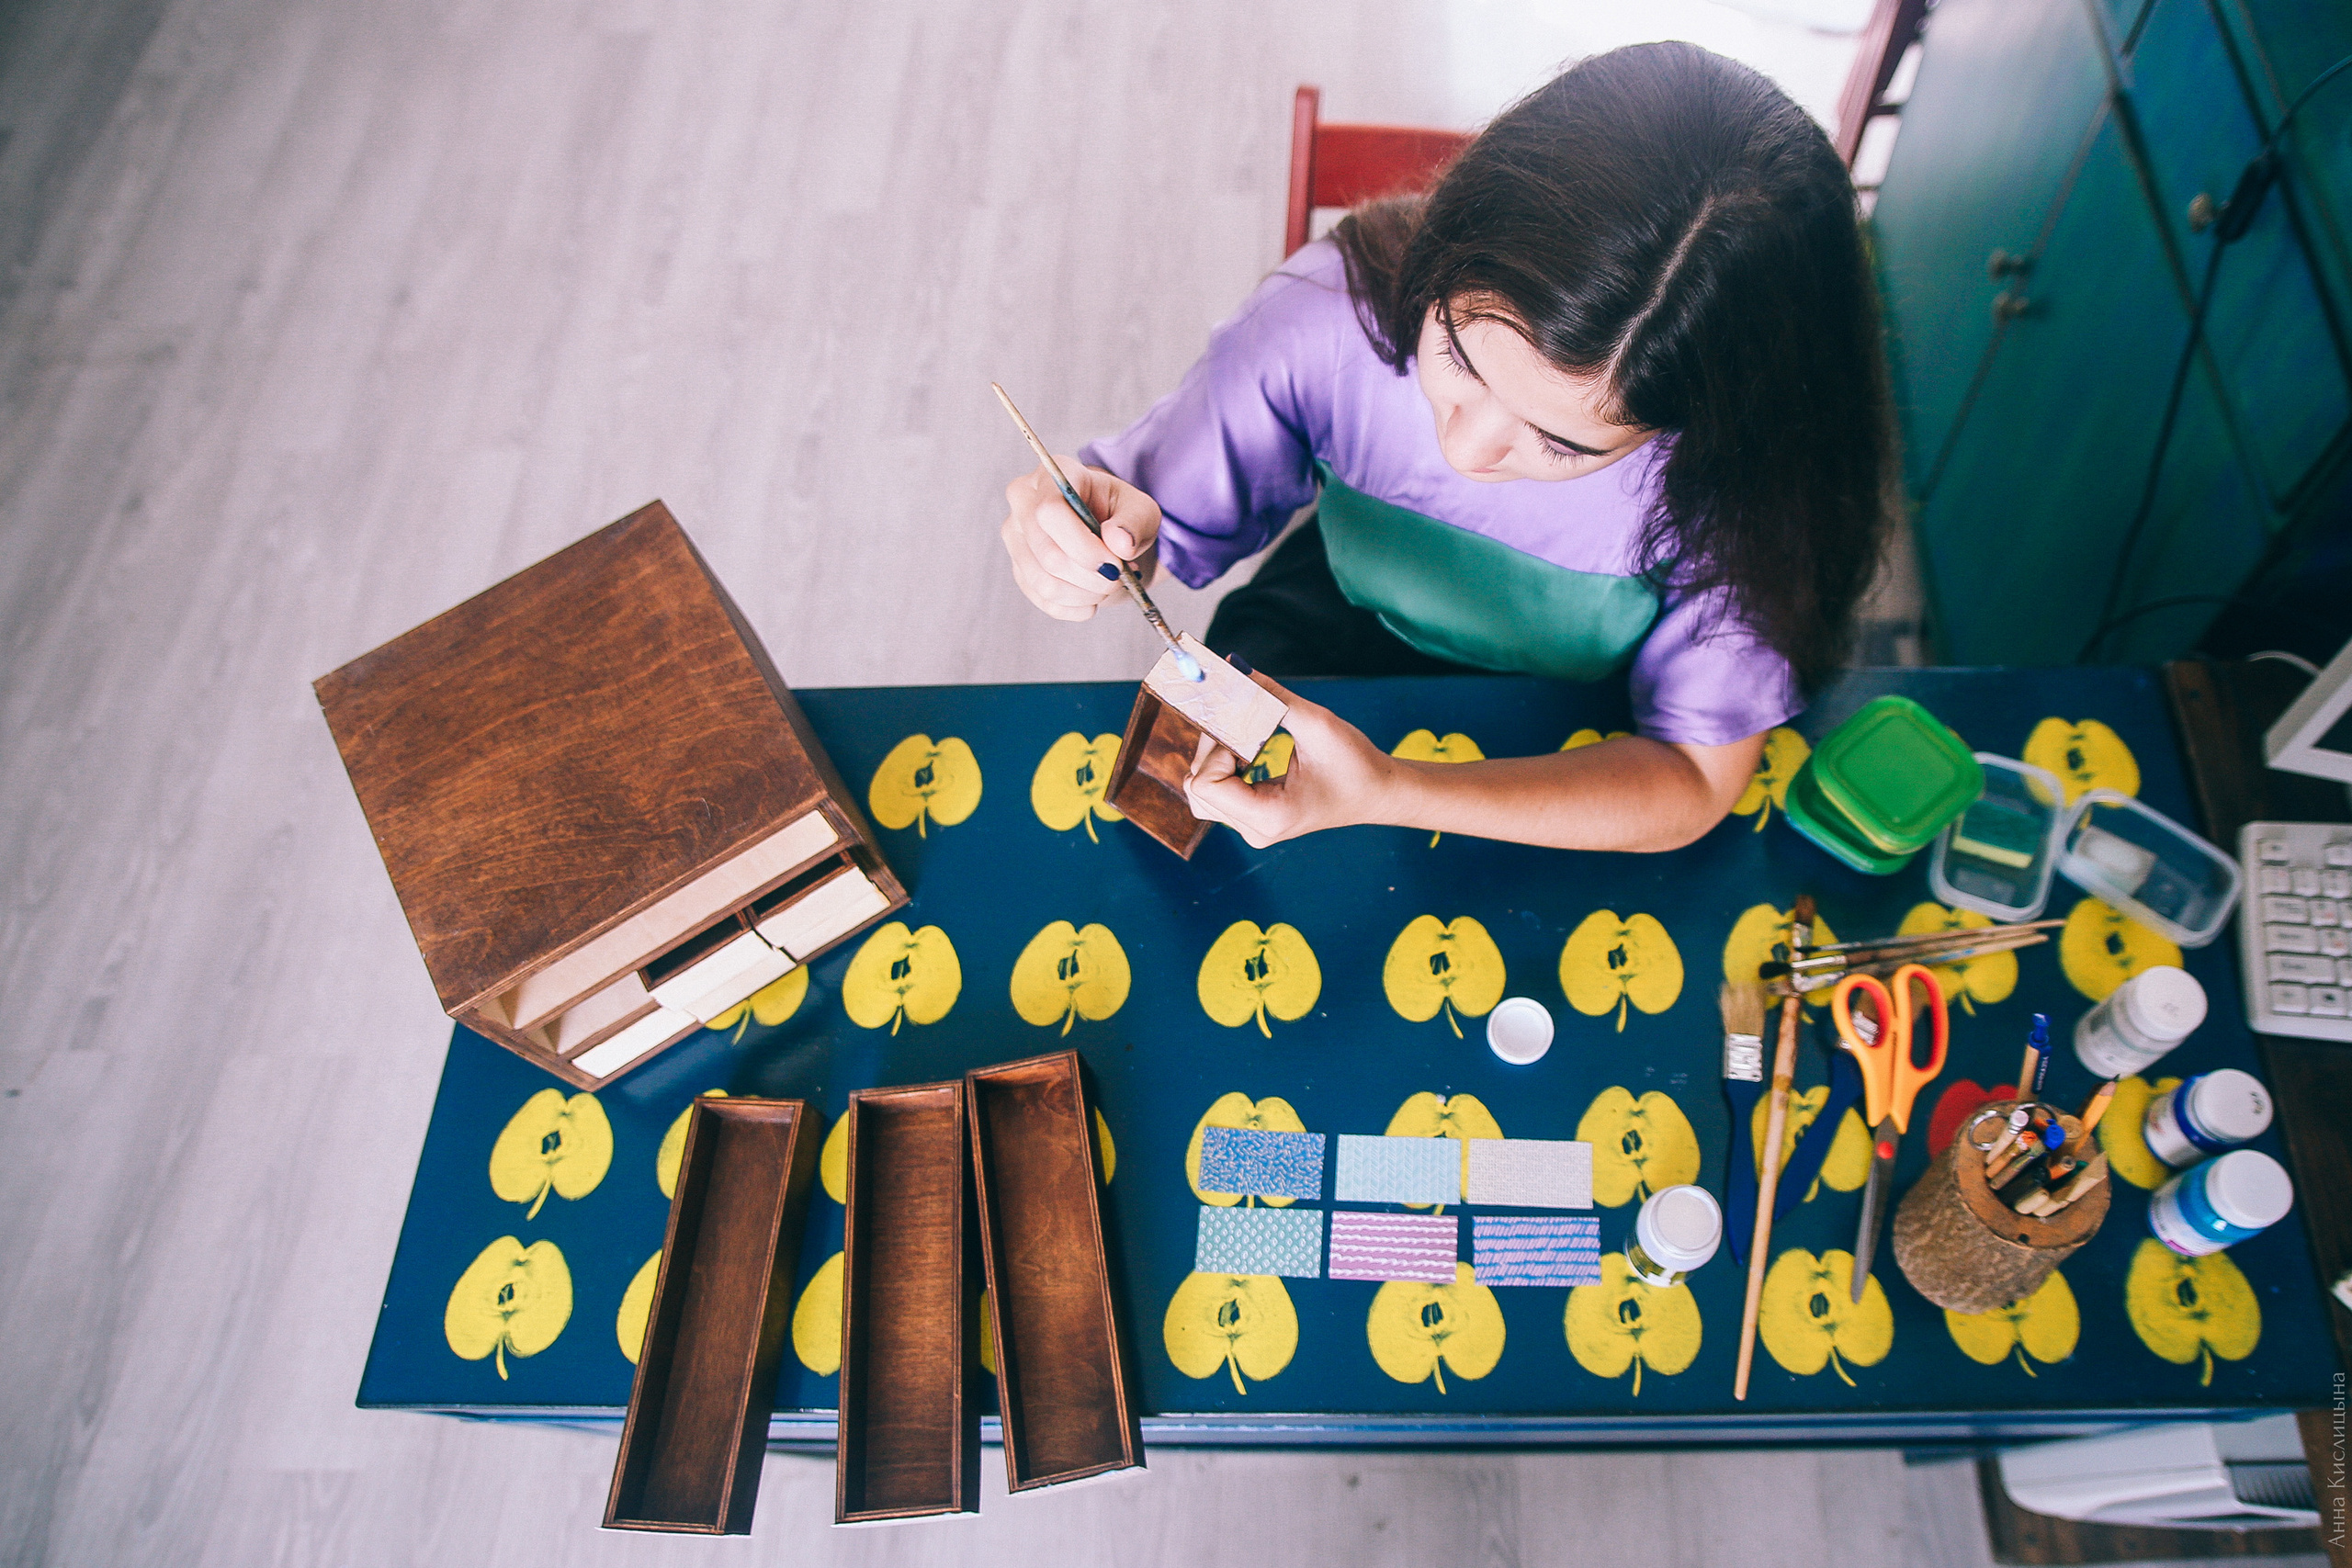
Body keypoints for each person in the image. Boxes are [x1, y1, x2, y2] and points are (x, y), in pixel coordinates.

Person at [998, 42, 1891, 852]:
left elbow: (1694, 778)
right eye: (1457, 354)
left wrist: (1391, 792)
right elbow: (1151, 523)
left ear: (1702, 428)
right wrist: (1086, 540)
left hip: (1586, 735)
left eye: (1561, 442)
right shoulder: (1326, 318)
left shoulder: (1754, 487)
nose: (1466, 449)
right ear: (1445, 244)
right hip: (1334, 619)